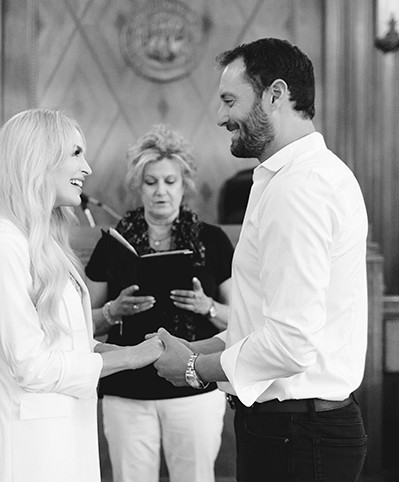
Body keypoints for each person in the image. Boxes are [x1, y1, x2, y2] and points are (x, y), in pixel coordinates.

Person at [153, 38, 369, 481]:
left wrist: (194, 369)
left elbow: (290, 342)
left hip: (299, 435)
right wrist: (197, 349)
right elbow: (263, 325)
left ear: (276, 94)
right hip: (292, 430)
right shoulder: (290, 178)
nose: (220, 116)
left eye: (230, 100)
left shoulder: (300, 188)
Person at [0, 108, 165, 482]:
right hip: (33, 452)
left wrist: (135, 351)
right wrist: (128, 359)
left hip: (69, 436)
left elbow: (66, 344)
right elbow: (30, 365)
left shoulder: (45, 245)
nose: (87, 168)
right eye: (76, 153)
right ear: (38, 160)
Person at [84, 125, 234, 482]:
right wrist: (113, 311)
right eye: (151, 182)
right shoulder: (113, 243)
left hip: (194, 387)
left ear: (185, 185)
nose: (161, 191)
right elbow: (80, 323)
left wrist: (208, 307)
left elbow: (242, 319)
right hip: (126, 389)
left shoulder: (212, 241)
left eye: (170, 181)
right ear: (138, 186)